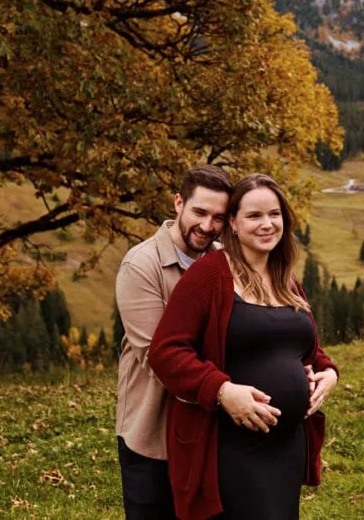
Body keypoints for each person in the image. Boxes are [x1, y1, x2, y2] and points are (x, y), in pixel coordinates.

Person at [148, 174, 339, 520]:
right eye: (254, 216)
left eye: (274, 214)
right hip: (231, 447)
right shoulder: (210, 275)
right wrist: (221, 390)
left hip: (286, 448)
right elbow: (165, 351)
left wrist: (328, 372)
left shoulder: (286, 279)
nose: (267, 224)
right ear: (233, 224)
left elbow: (304, 348)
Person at [116, 165, 233, 520]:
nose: (208, 226)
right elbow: (159, 360)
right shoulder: (141, 265)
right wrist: (225, 390)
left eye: (219, 217)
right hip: (154, 434)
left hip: (210, 431)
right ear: (178, 203)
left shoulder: (225, 260)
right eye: (199, 212)